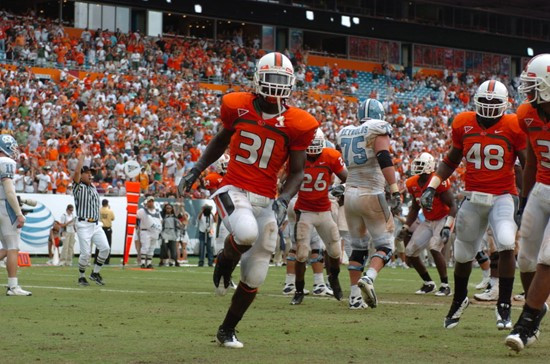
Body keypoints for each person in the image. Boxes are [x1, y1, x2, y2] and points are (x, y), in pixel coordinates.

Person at [179, 52, 318, 348]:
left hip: (266, 199)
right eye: (272, 78)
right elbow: (220, 140)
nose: (276, 86)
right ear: (257, 77)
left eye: (283, 80)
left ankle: (227, 329)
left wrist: (283, 200)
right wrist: (196, 169)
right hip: (234, 189)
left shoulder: (298, 123)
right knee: (244, 233)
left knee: (257, 271)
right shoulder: (237, 106)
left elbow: (297, 172)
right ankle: (224, 261)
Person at [420, 80, 526, 330]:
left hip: (503, 196)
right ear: (476, 102)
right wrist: (432, 185)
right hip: (474, 196)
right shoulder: (463, 122)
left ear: (505, 104)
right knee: (463, 251)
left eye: (494, 102)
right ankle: (459, 300)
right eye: (485, 101)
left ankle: (504, 306)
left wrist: (526, 199)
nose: (488, 106)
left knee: (506, 242)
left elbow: (524, 165)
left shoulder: (513, 125)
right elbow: (451, 159)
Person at [336, 98, 401, 310]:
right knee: (386, 244)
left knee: (358, 248)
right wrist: (394, 188)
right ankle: (369, 278)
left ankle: (355, 298)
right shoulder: (378, 128)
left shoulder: (345, 131)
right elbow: (383, 157)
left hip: (350, 195)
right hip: (371, 193)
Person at [505, 54, 550, 352]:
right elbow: (532, 158)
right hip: (542, 188)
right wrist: (524, 199)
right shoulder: (527, 114)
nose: (528, 92)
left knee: (548, 258)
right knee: (526, 260)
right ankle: (539, 306)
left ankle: (527, 323)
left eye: (534, 86)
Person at [289, 129, 348, 305]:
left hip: (324, 211)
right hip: (305, 211)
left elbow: (347, 178)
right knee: (301, 254)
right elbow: (287, 179)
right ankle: (299, 290)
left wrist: (343, 187)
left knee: (335, 251)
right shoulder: (297, 156)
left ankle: (334, 278)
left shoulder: (330, 155)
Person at [402, 152, 457, 296]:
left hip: (443, 218)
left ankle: (445, 285)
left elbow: (453, 205)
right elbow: (415, 207)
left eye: (421, 164)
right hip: (427, 220)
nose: (417, 167)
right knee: (410, 251)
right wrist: (406, 226)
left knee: (434, 247)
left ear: (430, 166)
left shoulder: (438, 181)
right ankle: (428, 283)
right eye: (417, 164)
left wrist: (447, 225)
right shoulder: (412, 183)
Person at [73, 144, 111, 286]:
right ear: (81, 175)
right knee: (85, 254)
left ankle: (95, 273)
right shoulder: (78, 187)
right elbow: (76, 173)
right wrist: (82, 156)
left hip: (95, 224)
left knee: (105, 249)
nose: (90, 175)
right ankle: (81, 276)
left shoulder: (93, 187)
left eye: (91, 173)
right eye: (87, 173)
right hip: (83, 224)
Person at [0, 134, 31, 295]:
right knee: (12, 248)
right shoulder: (6, 162)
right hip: (4, 206)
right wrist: (19, 213)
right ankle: (13, 286)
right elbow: (9, 191)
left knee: (6, 248)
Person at [136, 196, 162, 269]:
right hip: (145, 231)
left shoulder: (157, 211)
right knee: (145, 247)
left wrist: (159, 228)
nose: (151, 203)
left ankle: (149, 263)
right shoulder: (142, 211)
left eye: (152, 201)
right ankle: (143, 263)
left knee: (152, 248)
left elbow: (160, 220)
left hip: (155, 231)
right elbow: (136, 216)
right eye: (149, 201)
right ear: (146, 203)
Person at [96, 199, 114, 265]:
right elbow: (113, 218)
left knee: (98, 245)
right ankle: (106, 260)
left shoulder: (99, 210)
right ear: (107, 204)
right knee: (108, 245)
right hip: (108, 228)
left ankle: (96, 259)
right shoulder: (110, 211)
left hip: (100, 228)